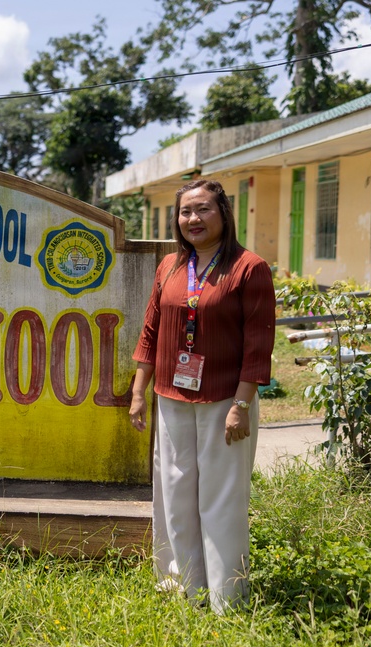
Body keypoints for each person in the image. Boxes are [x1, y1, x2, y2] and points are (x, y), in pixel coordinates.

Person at [129, 180, 275, 613]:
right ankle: (182, 589)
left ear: (224, 213)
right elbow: (151, 330)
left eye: (203, 209)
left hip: (225, 402)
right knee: (174, 494)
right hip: (171, 397)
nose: (193, 219)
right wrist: (139, 391)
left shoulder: (249, 268)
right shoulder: (171, 268)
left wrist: (241, 405)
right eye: (185, 212)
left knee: (221, 500)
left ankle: (226, 598)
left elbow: (257, 344)